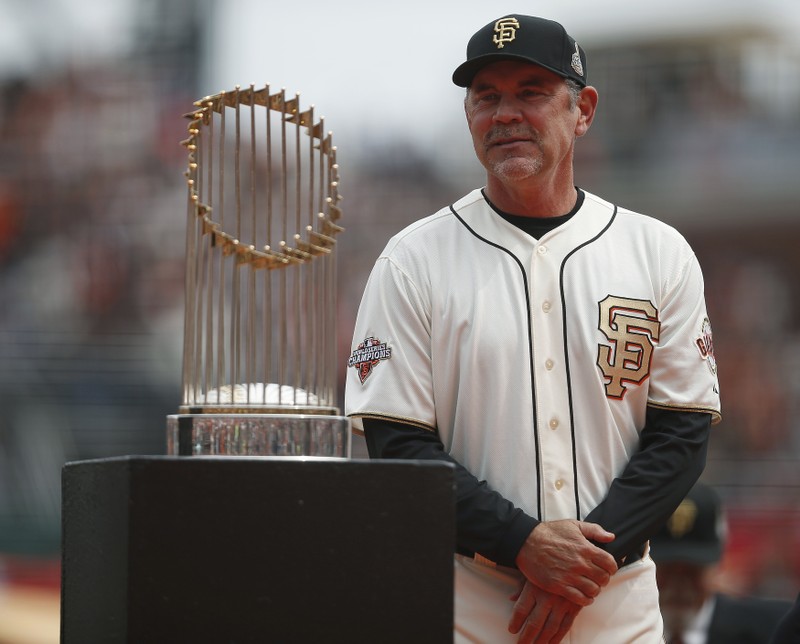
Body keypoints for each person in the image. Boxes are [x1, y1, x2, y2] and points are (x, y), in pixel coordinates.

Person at [345, 14, 721, 643]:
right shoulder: (412, 259)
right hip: (467, 608)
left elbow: (680, 435)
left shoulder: (658, 252)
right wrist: (522, 543)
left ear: (584, 110)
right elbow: (398, 447)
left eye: (530, 91)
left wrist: (578, 566)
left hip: (619, 611)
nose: (505, 113)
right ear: (467, 115)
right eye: (486, 96)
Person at [650, 482, 793, 644]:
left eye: (692, 570)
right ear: (645, 567)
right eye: (667, 569)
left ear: (718, 564)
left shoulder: (778, 630)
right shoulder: (620, 630)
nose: (678, 585)